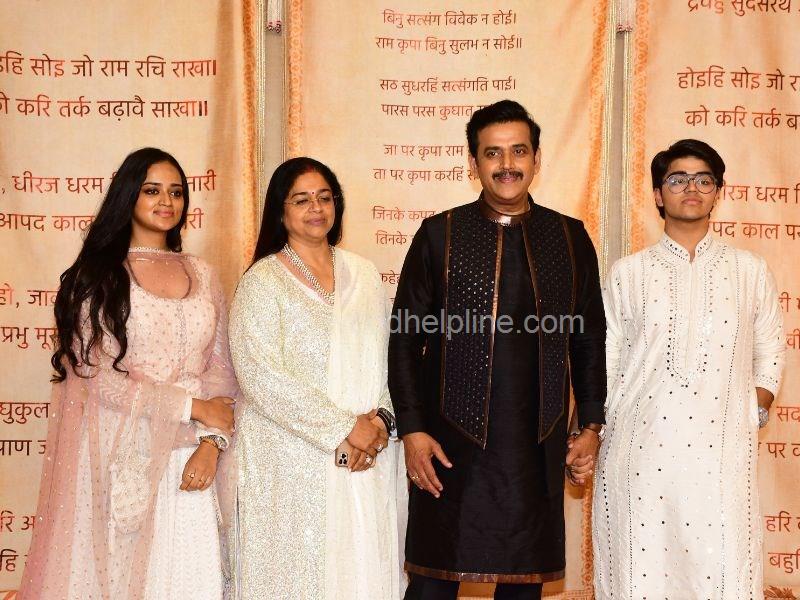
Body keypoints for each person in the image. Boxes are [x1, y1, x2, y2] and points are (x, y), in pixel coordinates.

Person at [388, 99, 606, 600]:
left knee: (522, 587)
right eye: (493, 153)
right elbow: (404, 340)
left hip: (536, 449)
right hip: (449, 449)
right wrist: (413, 431)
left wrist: (590, 426)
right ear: (474, 163)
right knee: (432, 585)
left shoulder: (569, 237)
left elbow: (588, 340)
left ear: (536, 158)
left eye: (518, 151)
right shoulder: (439, 234)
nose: (507, 164)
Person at [18, 147, 239, 600]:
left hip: (191, 452)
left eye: (176, 192)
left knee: (190, 581)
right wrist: (190, 407)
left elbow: (222, 370)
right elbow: (95, 376)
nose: (167, 202)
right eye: (152, 190)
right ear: (128, 196)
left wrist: (211, 444)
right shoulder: (98, 277)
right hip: (121, 450)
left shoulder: (203, 273)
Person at [593, 139, 785, 599]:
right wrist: (598, 425)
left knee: (720, 565)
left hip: (722, 451)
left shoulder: (750, 270)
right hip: (640, 450)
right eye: (677, 179)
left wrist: (753, 410)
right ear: (658, 194)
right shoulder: (628, 273)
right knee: (642, 566)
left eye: (704, 179)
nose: (691, 188)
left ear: (719, 191)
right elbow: (606, 356)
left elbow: (770, 349)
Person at [228, 156, 402, 599]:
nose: (316, 208)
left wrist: (379, 425)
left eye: (325, 197)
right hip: (289, 462)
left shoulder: (364, 275)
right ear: (280, 210)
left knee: (362, 569)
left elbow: (390, 358)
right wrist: (344, 428)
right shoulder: (263, 281)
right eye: (302, 199)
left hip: (367, 457)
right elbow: (260, 375)